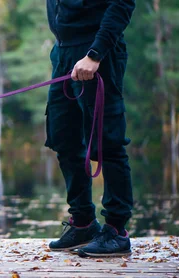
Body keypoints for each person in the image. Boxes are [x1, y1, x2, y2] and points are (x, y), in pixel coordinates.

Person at [44, 0, 136, 257]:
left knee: (108, 142)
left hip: (97, 53)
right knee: (63, 139)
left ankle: (117, 231)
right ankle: (83, 222)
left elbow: (122, 4)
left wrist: (95, 53)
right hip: (62, 53)